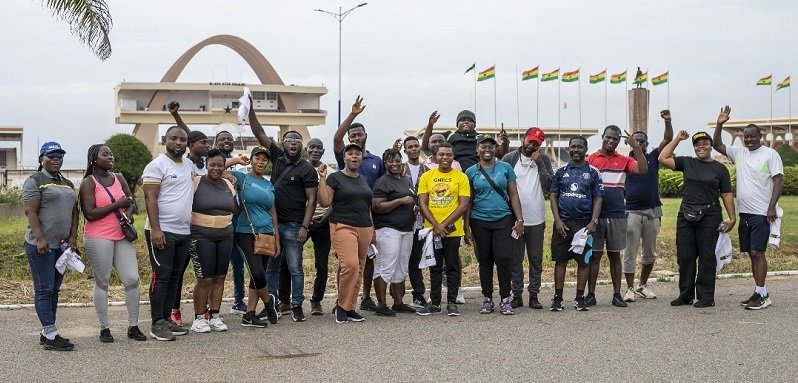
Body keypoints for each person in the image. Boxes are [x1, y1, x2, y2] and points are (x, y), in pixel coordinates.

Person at [247, 98, 318, 322]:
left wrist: (305, 226)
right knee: (272, 268)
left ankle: (297, 306)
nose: (293, 143)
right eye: (289, 140)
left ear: (301, 146)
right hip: (272, 225)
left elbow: (312, 200)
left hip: (295, 225)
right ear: (283, 143)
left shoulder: (307, 169)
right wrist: (250, 110)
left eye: (297, 140)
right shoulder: (276, 156)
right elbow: (259, 132)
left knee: (296, 268)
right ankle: (272, 305)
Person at [712, 106, 784, 310]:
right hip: (745, 213)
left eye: (753, 136)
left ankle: (762, 294)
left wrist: (772, 207)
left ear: (760, 136)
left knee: (757, 252)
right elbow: (717, 144)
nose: (749, 139)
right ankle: (760, 292)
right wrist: (719, 124)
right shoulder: (739, 153)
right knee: (752, 254)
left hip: (762, 213)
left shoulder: (770, 154)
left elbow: (778, 180)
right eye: (746, 137)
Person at [659, 130, 735, 308]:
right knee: (685, 256)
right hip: (686, 214)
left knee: (707, 256)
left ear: (710, 146)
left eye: (705, 143)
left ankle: (706, 297)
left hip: (710, 215)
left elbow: (726, 193)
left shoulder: (720, 169)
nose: (701, 147)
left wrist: (732, 218)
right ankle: (685, 295)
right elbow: (663, 158)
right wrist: (678, 139)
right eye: (697, 144)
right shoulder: (687, 162)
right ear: (694, 148)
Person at [79, 144, 146, 343]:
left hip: (121, 235)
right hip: (98, 236)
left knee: (132, 279)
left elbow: (130, 202)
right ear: (94, 158)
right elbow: (90, 214)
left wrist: (129, 213)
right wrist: (117, 205)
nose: (110, 157)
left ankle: (133, 326)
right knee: (102, 281)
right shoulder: (88, 182)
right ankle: (104, 328)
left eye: (111, 154)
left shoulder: (119, 177)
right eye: (105, 154)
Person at [23, 142, 79, 351]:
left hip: (61, 247)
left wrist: (73, 237)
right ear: (41, 159)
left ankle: (47, 332)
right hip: (41, 246)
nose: (56, 159)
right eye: (51, 156)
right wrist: (39, 238)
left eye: (59, 156)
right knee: (44, 289)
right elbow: (31, 212)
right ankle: (51, 334)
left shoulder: (67, 183)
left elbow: (75, 211)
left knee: (54, 290)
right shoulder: (35, 181)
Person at [586, 125, 648, 307]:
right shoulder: (590, 160)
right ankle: (591, 294)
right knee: (594, 256)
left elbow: (642, 169)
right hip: (595, 216)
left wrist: (636, 147)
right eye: (608, 137)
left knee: (614, 256)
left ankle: (616, 294)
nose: (611, 141)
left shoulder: (624, 160)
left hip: (617, 214)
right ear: (603, 137)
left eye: (615, 138)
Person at [332, 96, 384, 312]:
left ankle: (365, 297)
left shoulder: (376, 161)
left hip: (368, 216)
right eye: (352, 135)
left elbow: (382, 187)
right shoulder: (345, 156)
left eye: (359, 134)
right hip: (345, 216)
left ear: (365, 135)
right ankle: (341, 300)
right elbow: (337, 138)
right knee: (347, 262)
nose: (356, 137)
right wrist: (352, 115)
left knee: (366, 259)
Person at [142, 126, 194, 341]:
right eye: (173, 138)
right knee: (161, 276)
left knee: (175, 276)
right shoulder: (157, 165)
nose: (178, 142)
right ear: (165, 140)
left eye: (182, 139)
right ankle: (157, 323)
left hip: (184, 231)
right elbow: (150, 198)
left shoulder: (189, 165)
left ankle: (166, 318)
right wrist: (156, 229)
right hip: (161, 230)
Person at [465, 136, 525, 315]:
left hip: (503, 218)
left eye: (491, 146)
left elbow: (513, 194)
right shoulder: (471, 171)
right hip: (479, 220)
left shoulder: (505, 168)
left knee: (503, 258)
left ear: (495, 149)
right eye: (483, 146)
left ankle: (505, 298)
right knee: (485, 260)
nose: (487, 149)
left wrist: (520, 220)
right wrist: (466, 226)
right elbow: (468, 201)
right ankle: (487, 298)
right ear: (477, 149)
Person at [317, 143, 374, 324]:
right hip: (343, 226)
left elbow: (367, 206)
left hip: (365, 227)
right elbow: (325, 202)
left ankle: (350, 308)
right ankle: (341, 306)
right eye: (350, 154)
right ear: (344, 158)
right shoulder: (335, 177)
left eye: (358, 154)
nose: (354, 156)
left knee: (360, 268)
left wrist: (372, 230)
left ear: (362, 158)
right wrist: (322, 179)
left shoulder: (363, 179)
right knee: (350, 265)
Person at [622, 111, 673, 302]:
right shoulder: (625, 161)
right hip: (631, 212)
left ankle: (642, 285)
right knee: (630, 252)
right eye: (636, 141)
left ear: (647, 144)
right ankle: (629, 288)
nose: (639, 144)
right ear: (629, 142)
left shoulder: (653, 157)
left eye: (642, 141)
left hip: (653, 211)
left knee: (650, 253)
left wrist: (667, 121)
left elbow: (667, 139)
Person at [501, 127, 553, 309]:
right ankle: (517, 295)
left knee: (535, 259)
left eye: (536, 143)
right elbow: (502, 184)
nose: (532, 145)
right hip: (515, 219)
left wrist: (539, 163)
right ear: (524, 138)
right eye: (530, 141)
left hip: (536, 218)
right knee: (515, 259)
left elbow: (549, 186)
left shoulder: (544, 159)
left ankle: (534, 295)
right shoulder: (510, 158)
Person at [416, 143, 471, 316]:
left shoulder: (461, 177)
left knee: (452, 267)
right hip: (432, 231)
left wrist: (443, 225)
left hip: (452, 231)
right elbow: (422, 203)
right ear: (435, 156)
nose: (445, 158)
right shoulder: (427, 176)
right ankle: (435, 303)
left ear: (453, 157)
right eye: (441, 154)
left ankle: (452, 303)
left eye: (448, 154)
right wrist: (436, 225)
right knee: (435, 267)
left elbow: (463, 205)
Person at [549, 136, 603, 311]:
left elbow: (598, 198)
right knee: (561, 261)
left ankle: (580, 298)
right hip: (563, 224)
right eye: (573, 146)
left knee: (584, 262)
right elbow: (553, 196)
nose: (576, 150)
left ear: (585, 149)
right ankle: (558, 298)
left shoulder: (593, 172)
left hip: (584, 225)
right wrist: (557, 220)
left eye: (580, 147)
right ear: (568, 149)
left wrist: (593, 222)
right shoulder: (561, 171)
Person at [167, 101, 209, 326]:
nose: (207, 145)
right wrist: (176, 115)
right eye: (203, 142)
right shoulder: (182, 162)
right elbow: (188, 134)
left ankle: (205, 309)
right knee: (178, 270)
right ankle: (174, 309)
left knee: (204, 271)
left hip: (202, 225)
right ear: (192, 145)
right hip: (183, 225)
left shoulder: (206, 163)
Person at [188, 149, 238, 333]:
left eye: (220, 165)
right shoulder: (196, 182)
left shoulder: (228, 184)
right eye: (212, 165)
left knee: (220, 278)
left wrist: (235, 186)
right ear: (206, 165)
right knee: (205, 279)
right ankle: (199, 318)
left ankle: (215, 316)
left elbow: (235, 209)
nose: (216, 168)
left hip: (225, 236)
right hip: (201, 236)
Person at [230, 146, 280, 327]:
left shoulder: (269, 185)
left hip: (267, 233)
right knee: (257, 273)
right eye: (257, 158)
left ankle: (249, 315)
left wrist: (277, 238)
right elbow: (218, 169)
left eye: (264, 159)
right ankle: (269, 304)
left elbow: (273, 212)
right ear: (251, 160)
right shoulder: (242, 178)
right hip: (246, 232)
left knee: (257, 276)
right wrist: (237, 160)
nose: (260, 162)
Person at [371, 149, 419, 316]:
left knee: (401, 267)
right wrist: (399, 201)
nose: (394, 164)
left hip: (407, 229)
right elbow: (377, 206)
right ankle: (381, 305)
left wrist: (414, 208)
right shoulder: (382, 182)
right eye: (390, 161)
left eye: (397, 160)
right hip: (388, 230)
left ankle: (398, 303)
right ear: (385, 164)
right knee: (385, 266)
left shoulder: (406, 180)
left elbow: (411, 199)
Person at [212, 129, 249, 315]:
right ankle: (210, 304)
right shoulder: (212, 161)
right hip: (218, 216)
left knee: (238, 262)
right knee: (215, 264)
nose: (226, 141)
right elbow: (215, 173)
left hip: (238, 217)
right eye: (222, 139)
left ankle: (238, 300)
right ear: (216, 142)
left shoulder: (241, 162)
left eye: (229, 139)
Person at [400, 136, 430, 307]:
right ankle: (397, 294)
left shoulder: (427, 170)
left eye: (415, 146)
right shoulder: (400, 169)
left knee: (416, 257)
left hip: (421, 220)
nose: (413, 149)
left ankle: (418, 294)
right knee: (400, 256)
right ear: (405, 150)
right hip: (402, 218)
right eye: (410, 147)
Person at [306, 138, 332, 315]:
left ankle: (316, 301)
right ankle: (286, 301)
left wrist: (323, 220)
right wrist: (304, 221)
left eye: (319, 148)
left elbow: (334, 201)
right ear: (306, 149)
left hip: (323, 222)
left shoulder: (330, 172)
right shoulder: (300, 168)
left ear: (323, 152)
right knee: (288, 262)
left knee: (322, 265)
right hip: (302, 223)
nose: (315, 150)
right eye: (312, 147)